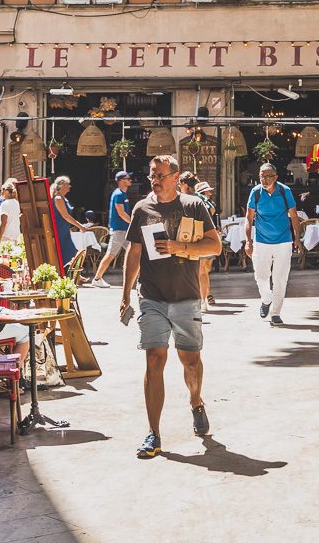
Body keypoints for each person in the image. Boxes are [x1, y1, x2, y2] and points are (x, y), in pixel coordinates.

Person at [122, 154, 221, 459]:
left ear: (176, 177)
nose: (155, 180)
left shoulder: (194, 205)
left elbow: (214, 245)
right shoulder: (142, 208)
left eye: (161, 175)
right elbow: (134, 252)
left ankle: (196, 401)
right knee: (154, 360)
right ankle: (154, 433)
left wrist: (182, 248)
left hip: (186, 295)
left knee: (190, 361)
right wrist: (126, 292)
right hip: (151, 296)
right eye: (152, 175)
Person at [246, 164, 301, 325]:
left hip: (283, 241)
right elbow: (249, 219)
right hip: (261, 241)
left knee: (280, 278)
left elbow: (294, 215)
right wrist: (248, 241)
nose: (264, 179)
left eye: (268, 176)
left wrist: (297, 238)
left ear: (276, 177)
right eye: (261, 176)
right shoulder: (256, 192)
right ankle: (266, 299)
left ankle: (275, 313)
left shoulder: (285, 191)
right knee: (261, 275)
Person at [93, 171, 132, 289]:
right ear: (121, 180)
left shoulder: (122, 194)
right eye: (127, 178)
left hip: (124, 230)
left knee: (135, 253)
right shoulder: (119, 194)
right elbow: (121, 212)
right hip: (119, 230)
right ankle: (97, 279)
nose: (130, 179)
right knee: (111, 254)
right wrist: (133, 223)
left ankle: (141, 277)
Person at [194, 181, 219, 311]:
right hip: (207, 238)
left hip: (202, 238)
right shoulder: (207, 204)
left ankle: (203, 299)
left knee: (203, 271)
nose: (210, 192)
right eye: (208, 190)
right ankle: (204, 298)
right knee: (204, 271)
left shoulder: (203, 203)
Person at [51, 175, 80, 272]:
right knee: (68, 251)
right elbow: (65, 216)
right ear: (62, 186)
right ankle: (72, 274)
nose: (70, 186)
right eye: (68, 184)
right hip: (59, 229)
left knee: (70, 251)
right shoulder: (58, 198)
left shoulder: (63, 198)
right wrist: (80, 226)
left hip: (64, 229)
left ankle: (75, 275)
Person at [0, 179, 22, 246]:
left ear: (5, 191)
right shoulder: (17, 203)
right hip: (16, 235)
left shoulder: (5, 204)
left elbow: (3, 223)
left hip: (6, 238)